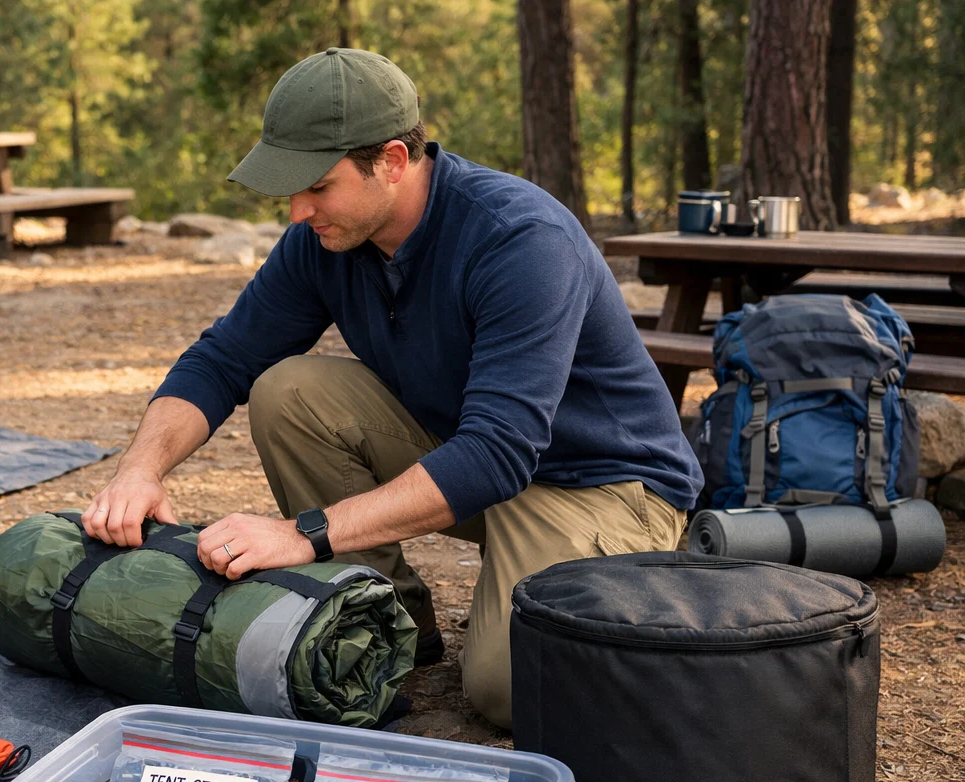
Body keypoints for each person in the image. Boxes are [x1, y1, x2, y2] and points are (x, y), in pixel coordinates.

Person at [82, 48, 702, 728]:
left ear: (393, 162)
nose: (297, 211)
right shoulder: (327, 239)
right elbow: (223, 358)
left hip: (601, 484)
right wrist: (138, 473)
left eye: (317, 186)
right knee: (288, 390)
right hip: (476, 459)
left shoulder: (520, 239)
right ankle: (391, 619)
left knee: (506, 689)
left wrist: (305, 534)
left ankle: (654, 593)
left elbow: (499, 451)